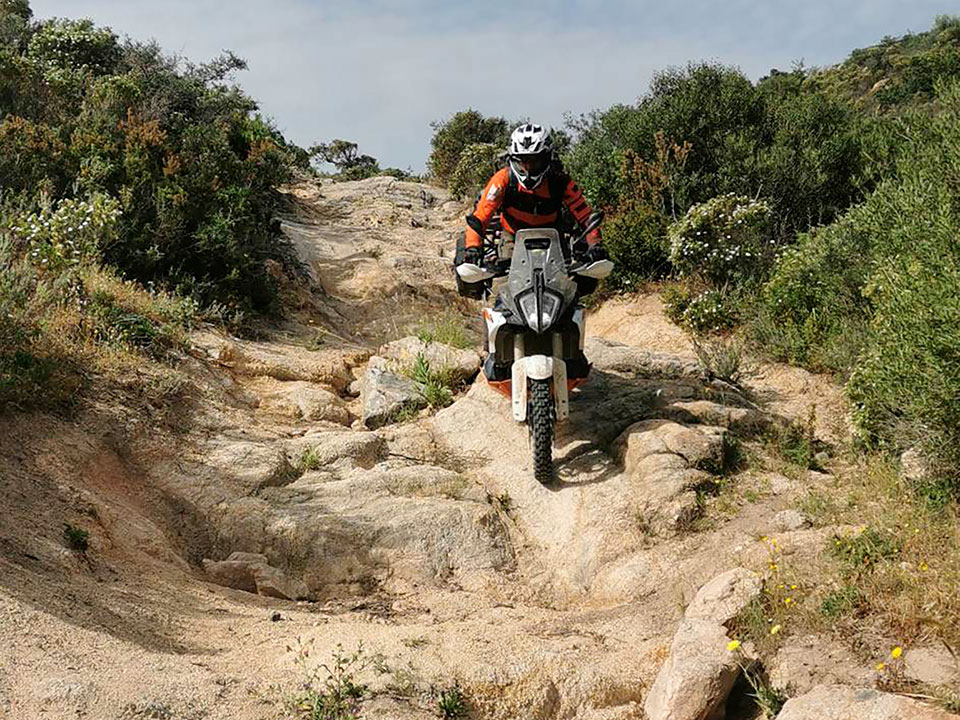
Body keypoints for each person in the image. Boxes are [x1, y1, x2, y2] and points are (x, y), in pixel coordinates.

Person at [460, 123, 606, 273]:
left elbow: (584, 215)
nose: (528, 168)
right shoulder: (502, 179)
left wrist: (595, 244)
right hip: (513, 237)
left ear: (547, 158)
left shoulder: (560, 181)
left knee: (573, 285)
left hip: (553, 239)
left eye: (535, 161)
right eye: (523, 161)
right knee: (502, 286)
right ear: (513, 159)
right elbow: (481, 216)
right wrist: (473, 247)